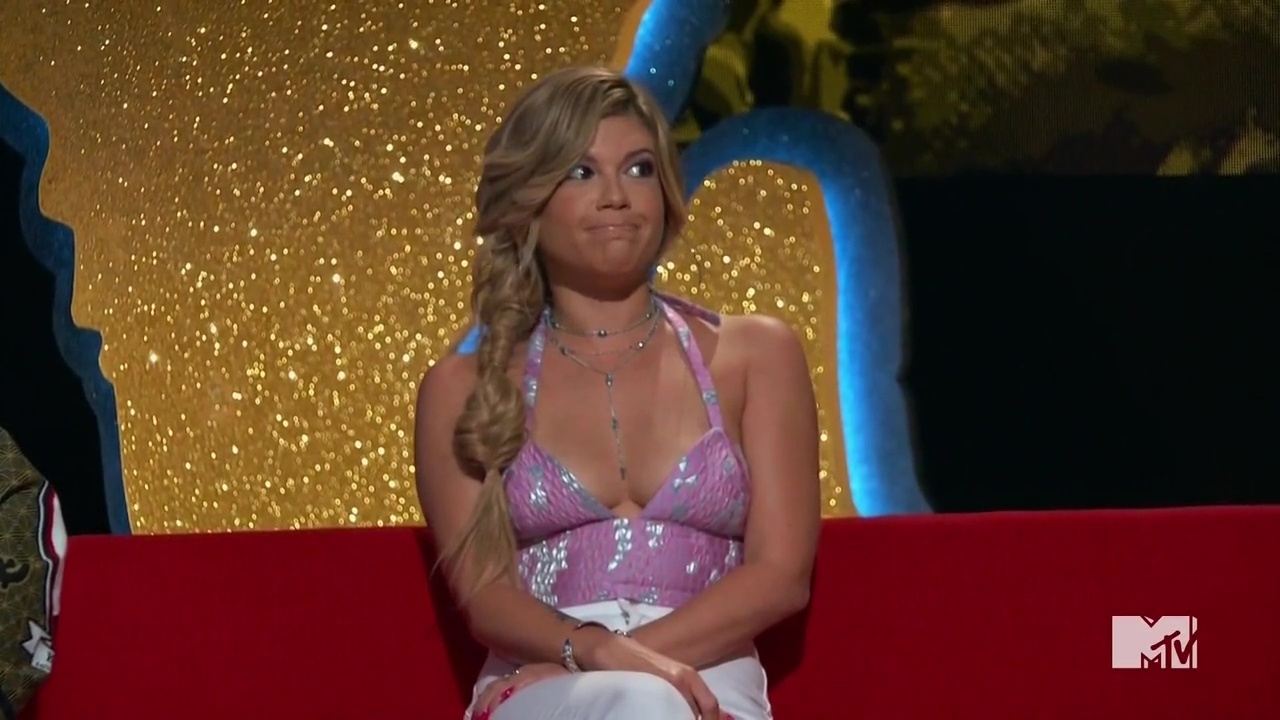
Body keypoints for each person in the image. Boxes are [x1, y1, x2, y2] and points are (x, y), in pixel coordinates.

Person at [413, 65, 821, 720]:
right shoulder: (462, 389)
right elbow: (487, 599)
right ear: (528, 201)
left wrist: (628, 659)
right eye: (581, 172)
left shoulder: (757, 355)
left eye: (638, 169)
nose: (616, 197)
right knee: (640, 701)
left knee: (646, 701)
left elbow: (780, 576)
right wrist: (591, 653)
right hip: (542, 682)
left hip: (710, 682)